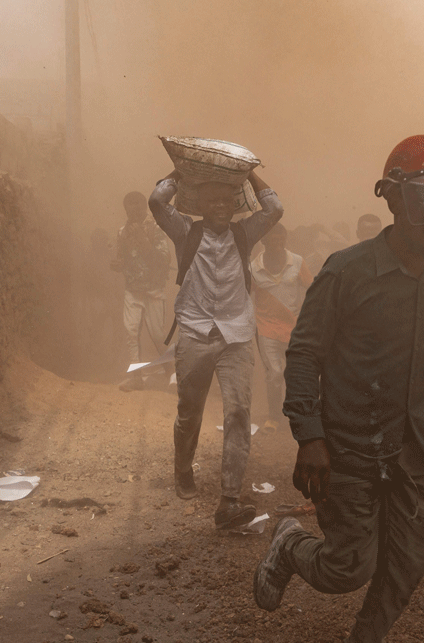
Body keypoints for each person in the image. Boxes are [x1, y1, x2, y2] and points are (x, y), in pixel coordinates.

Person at [253, 134, 424, 643]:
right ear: (392, 197)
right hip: (349, 448)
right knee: (346, 570)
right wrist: (310, 437)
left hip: (413, 448)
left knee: (405, 567)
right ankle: (291, 544)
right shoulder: (346, 271)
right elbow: (304, 355)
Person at [148, 167, 283, 529]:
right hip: (193, 332)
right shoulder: (185, 232)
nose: (222, 206)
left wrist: (251, 175)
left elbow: (274, 209)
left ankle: (230, 497)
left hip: (236, 335)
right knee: (189, 412)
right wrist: (182, 169)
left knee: (238, 412)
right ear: (202, 205)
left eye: (228, 200)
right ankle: (182, 470)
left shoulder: (244, 233)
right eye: (214, 201)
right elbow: (157, 201)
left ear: (236, 204)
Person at [250, 223, 313, 432]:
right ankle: (274, 417)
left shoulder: (297, 262)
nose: (278, 243)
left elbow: (313, 289)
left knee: (296, 373)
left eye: (281, 239)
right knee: (275, 373)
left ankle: (298, 414)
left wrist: (311, 317)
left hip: (294, 328)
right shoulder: (253, 268)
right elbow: (244, 297)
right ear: (264, 241)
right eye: (273, 239)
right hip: (266, 329)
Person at [112, 192, 171, 392]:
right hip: (133, 290)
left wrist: (143, 240)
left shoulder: (156, 229)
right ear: (125, 208)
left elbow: (164, 260)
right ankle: (136, 378)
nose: (134, 208)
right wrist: (117, 265)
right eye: (130, 205)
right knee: (131, 332)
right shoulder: (122, 232)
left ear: (145, 206)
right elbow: (121, 258)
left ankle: (172, 374)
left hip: (154, 290)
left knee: (157, 335)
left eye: (138, 204)